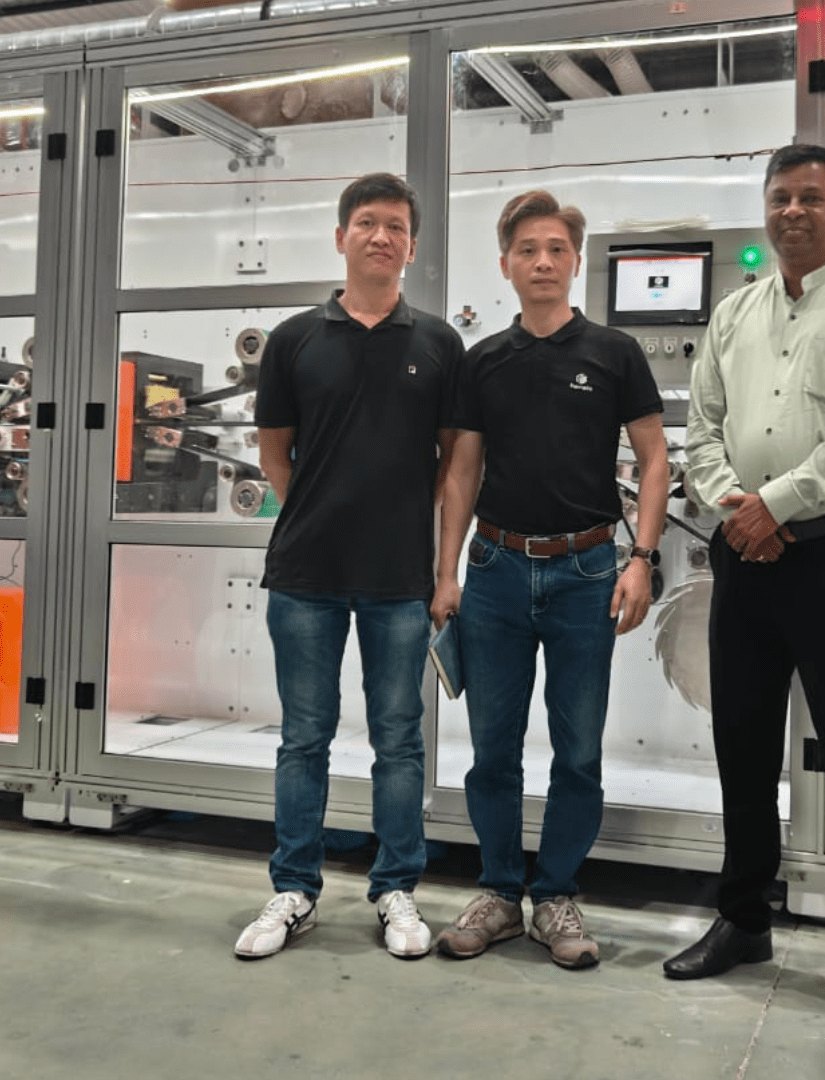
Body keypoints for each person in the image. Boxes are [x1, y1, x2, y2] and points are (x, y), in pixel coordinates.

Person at [666, 145, 825, 1043]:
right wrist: (734, 505)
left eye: (812, 198)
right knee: (741, 743)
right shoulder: (735, 313)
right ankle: (743, 919)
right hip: (743, 554)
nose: (793, 212)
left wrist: (776, 504)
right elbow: (701, 426)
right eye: (780, 198)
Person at [431, 190, 669, 969]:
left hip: (586, 571)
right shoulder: (483, 362)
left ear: (576, 260)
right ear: (505, 263)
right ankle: (500, 893)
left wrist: (642, 558)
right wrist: (446, 573)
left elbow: (655, 459)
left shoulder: (614, 353)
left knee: (578, 751)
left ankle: (556, 895)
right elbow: (461, 472)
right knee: (492, 750)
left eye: (556, 249)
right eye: (528, 249)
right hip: (495, 571)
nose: (542, 261)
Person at [234, 173, 463, 961]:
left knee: (399, 740)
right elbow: (274, 452)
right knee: (304, 737)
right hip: (306, 574)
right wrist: (319, 507)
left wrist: (439, 565)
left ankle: (395, 888)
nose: (381, 236)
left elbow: (451, 463)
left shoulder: (438, 344)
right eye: (367, 222)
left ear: (412, 245)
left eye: (396, 226)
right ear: (341, 237)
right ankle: (294, 888)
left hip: (399, 577)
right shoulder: (295, 339)